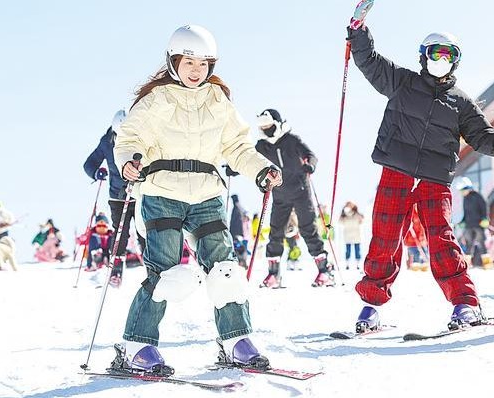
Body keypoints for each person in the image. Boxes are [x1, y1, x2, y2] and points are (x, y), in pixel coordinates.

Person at [346, 5, 494, 332]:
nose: (441, 58)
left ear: (455, 61)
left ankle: (465, 304)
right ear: (424, 56)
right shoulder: (402, 82)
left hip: (434, 180)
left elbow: (484, 138)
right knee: (385, 239)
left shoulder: (461, 103)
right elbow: (369, 61)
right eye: (435, 52)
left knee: (442, 240)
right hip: (397, 171)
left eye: (448, 54)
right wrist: (358, 30)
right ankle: (370, 307)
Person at [112, 24, 282, 375]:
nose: (196, 71)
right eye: (188, 62)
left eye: (203, 64)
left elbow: (237, 147)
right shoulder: (157, 100)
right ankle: (137, 345)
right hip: (163, 192)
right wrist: (130, 160)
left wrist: (261, 169)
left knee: (224, 270)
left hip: (207, 192)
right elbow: (130, 138)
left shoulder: (217, 101)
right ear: (174, 62)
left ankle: (236, 340)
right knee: (167, 273)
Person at [255, 108, 334, 288]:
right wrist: (233, 169)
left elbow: (311, 155)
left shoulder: (292, 140)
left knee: (307, 229)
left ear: (277, 124)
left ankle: (324, 272)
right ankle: (273, 275)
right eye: (263, 127)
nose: (267, 130)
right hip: (279, 193)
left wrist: (310, 166)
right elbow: (249, 160)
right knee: (275, 232)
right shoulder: (262, 146)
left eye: (270, 126)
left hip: (300, 191)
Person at [84, 110, 146, 287]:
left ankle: (153, 270)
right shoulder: (107, 142)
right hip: (118, 196)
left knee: (144, 233)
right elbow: (89, 164)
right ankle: (116, 271)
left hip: (140, 194)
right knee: (120, 233)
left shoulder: (141, 139)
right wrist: (97, 172)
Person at [455, 177, 489, 267]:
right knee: (469, 245)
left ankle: (487, 264)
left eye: (462, 190)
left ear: (467, 188)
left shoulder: (477, 196)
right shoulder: (465, 199)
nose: (461, 193)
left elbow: (484, 208)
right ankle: (467, 264)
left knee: (482, 244)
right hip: (469, 225)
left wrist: (485, 218)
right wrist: (462, 222)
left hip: (478, 224)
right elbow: (466, 213)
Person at [338, 201, 364, 270]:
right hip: (348, 235)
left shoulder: (357, 215)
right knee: (348, 251)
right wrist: (342, 212)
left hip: (356, 235)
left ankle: (358, 265)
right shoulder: (344, 216)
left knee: (357, 251)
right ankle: (347, 264)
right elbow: (340, 221)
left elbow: (362, 220)